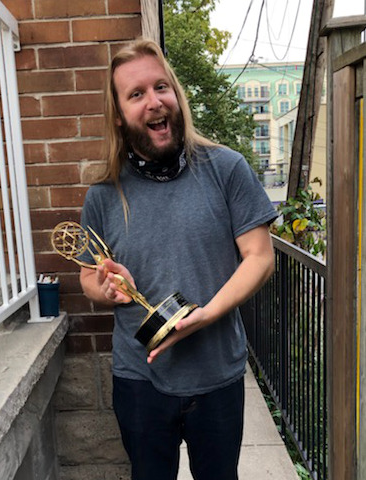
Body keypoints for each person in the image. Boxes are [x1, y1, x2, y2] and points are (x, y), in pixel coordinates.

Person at [79, 38, 277, 480]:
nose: (154, 102)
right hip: (139, 379)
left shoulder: (226, 169)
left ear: (176, 95)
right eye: (136, 94)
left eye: (161, 87)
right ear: (118, 115)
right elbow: (87, 278)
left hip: (217, 375)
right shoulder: (103, 195)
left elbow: (260, 258)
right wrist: (107, 286)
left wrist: (206, 315)